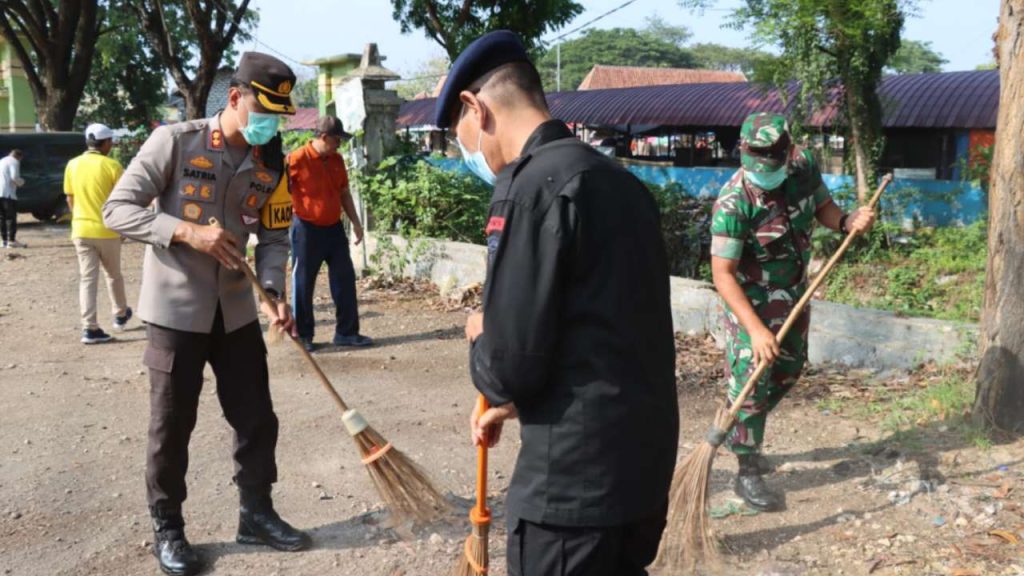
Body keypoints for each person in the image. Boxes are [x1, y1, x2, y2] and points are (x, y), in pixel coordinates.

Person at [435, 31, 679, 575]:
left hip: (571, 489)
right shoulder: (620, 183)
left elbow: (508, 367)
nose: (467, 148)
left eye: (460, 132)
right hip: (641, 469)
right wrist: (517, 401)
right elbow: (601, 330)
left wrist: (480, 334)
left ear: (477, 108)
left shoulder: (529, 187)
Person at [103, 52, 311, 576]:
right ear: (235, 99)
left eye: (279, 115)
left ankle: (256, 513)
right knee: (172, 423)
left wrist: (273, 292)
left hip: (237, 309)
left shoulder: (270, 160)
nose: (271, 125)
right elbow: (117, 210)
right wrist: (184, 230)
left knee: (256, 418)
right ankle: (168, 527)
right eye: (264, 111)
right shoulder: (175, 141)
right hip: (176, 310)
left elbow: (275, 236)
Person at [709, 112, 876, 511]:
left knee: (790, 368)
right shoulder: (734, 203)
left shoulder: (802, 166)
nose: (763, 174)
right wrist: (755, 330)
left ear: (788, 154)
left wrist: (847, 221)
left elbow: (822, 206)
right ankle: (747, 468)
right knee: (753, 377)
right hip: (750, 302)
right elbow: (723, 275)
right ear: (744, 155)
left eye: (771, 166)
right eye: (756, 166)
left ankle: (744, 429)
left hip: (796, 292)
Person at [287, 115, 371, 352]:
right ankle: (303, 335)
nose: (339, 145)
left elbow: (344, 192)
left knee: (344, 279)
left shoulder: (336, 160)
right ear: (323, 137)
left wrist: (355, 222)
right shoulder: (296, 159)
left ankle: (347, 333)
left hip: (334, 229)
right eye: (336, 140)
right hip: (305, 229)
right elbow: (279, 193)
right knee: (303, 283)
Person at [65, 123, 132, 344]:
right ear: (104, 143)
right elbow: (123, 199)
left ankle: (90, 328)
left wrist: (80, 219)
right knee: (113, 275)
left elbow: (70, 198)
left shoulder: (72, 165)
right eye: (110, 141)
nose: (111, 145)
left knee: (87, 279)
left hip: (81, 231)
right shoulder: (112, 166)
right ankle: (120, 315)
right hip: (108, 231)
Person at [0, 149, 25, 248]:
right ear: (19, 157)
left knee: (1, 218)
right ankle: (11, 241)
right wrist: (22, 182)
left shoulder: (1, 161)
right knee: (11, 218)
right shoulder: (14, 161)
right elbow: (14, 177)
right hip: (8, 194)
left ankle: (3, 241)